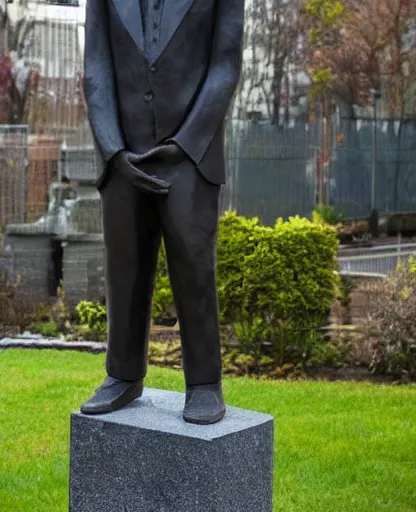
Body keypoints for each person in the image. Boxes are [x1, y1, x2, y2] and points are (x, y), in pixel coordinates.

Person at [80, 0, 245, 424]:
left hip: (190, 154)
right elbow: (95, 68)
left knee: (193, 265)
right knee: (125, 268)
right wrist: (113, 150)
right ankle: (122, 375)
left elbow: (225, 65)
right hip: (123, 155)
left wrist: (188, 142)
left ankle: (205, 383)